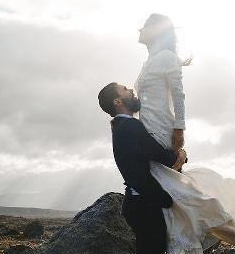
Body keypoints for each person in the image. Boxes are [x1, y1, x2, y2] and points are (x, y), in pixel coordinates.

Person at [134, 13, 235, 253]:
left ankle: (215, 220)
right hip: (147, 128)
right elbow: (145, 100)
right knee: (174, 191)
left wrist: (179, 128)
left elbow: (178, 94)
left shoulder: (166, 58)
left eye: (144, 28)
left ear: (155, 32)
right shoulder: (148, 62)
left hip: (162, 129)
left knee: (173, 188)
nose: (139, 32)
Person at [98, 82, 186, 254]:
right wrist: (181, 154)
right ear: (118, 101)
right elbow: (161, 156)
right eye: (124, 89)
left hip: (138, 204)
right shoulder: (130, 127)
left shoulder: (122, 127)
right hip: (144, 205)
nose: (131, 89)